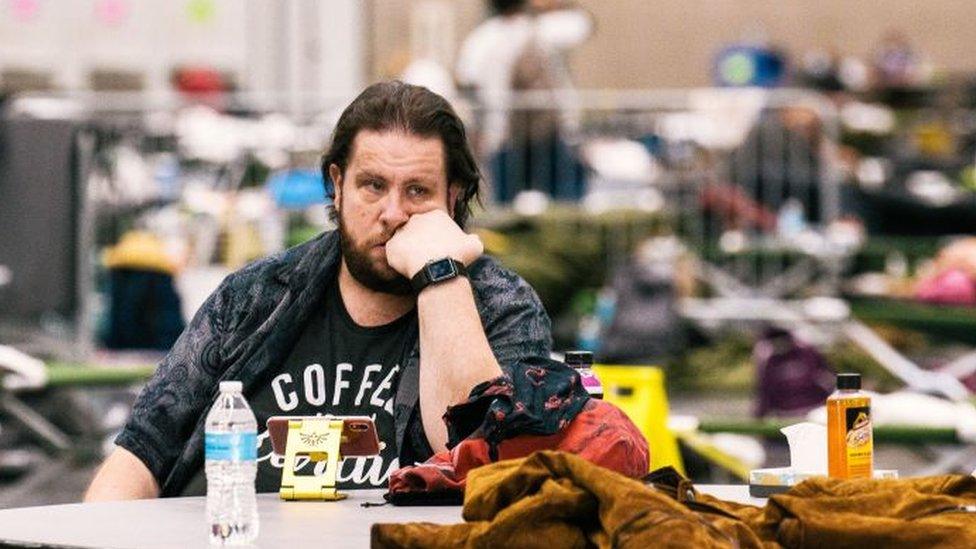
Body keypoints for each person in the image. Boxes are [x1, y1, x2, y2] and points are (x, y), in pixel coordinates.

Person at [84, 81, 560, 499]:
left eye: (417, 191)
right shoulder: (256, 296)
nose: (393, 213)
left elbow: (479, 457)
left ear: (452, 197)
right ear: (337, 185)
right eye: (373, 186)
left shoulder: (501, 306)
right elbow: (142, 450)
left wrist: (439, 273)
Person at [456, 0, 592, 202]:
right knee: (563, 198)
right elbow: (584, 24)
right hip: (543, 131)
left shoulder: (482, 39)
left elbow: (466, 77)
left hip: (505, 135)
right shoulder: (540, 30)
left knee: (505, 203)